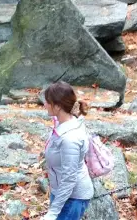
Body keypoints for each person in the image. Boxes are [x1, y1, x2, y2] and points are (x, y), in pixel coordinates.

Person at [43, 82, 94, 220]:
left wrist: (52, 213)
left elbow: (69, 178)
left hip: (72, 198)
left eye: (48, 102)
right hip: (61, 193)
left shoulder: (69, 139)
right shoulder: (65, 121)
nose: (45, 105)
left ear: (58, 106)